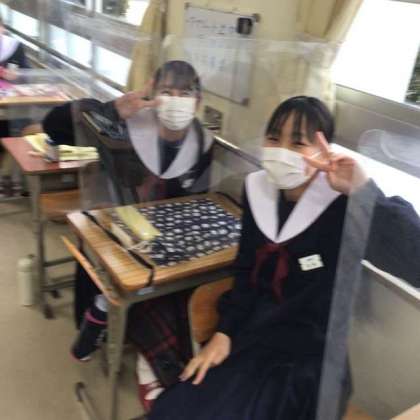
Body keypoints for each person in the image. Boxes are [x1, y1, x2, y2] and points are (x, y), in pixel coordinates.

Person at [148, 96, 420, 420]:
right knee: (177, 408)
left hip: (310, 359)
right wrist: (225, 332)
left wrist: (363, 191)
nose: (281, 151)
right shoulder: (257, 190)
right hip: (252, 338)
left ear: (322, 150)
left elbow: (414, 262)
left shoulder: (342, 204)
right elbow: (245, 270)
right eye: (274, 138)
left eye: (298, 142)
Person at [43, 60, 215, 411]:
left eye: (185, 93)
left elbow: (196, 200)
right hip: (113, 233)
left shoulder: (202, 142)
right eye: (167, 91)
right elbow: (53, 126)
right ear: (153, 94)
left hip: (164, 241)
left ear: (198, 101)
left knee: (176, 285)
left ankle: (146, 353)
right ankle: (154, 364)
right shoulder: (126, 125)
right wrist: (112, 110)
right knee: (150, 287)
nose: (176, 100)